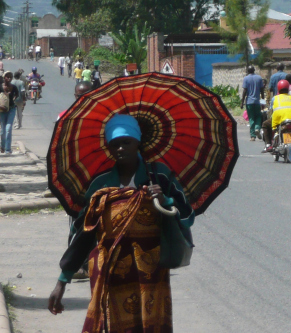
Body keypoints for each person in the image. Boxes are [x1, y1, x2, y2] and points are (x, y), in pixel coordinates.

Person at [47, 114, 195, 333]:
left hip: (150, 272)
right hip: (109, 271)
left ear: (138, 143)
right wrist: (62, 280)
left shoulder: (159, 176)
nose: (120, 149)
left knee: (149, 324)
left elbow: (186, 215)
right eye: (114, 144)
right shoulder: (101, 184)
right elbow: (83, 232)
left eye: (126, 142)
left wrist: (166, 201)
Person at [261, 79, 291, 151]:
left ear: (278, 88)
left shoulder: (275, 98)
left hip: (279, 119)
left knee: (265, 124)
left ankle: (268, 144)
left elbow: (271, 109)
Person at [240, 65, 264, 141]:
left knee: (251, 118)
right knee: (258, 116)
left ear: (247, 71)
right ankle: (257, 128)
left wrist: (242, 102)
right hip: (257, 102)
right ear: (254, 70)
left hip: (249, 102)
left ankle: (253, 136)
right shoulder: (259, 78)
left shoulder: (246, 78)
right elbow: (262, 91)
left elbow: (244, 91)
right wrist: (263, 102)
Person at [0, 73, 19, 154]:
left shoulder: (13, 87)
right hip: (2, 111)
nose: (9, 78)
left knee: (8, 129)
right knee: (2, 130)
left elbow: (17, 94)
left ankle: (8, 149)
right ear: (4, 77)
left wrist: (13, 99)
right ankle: (2, 146)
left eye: (10, 77)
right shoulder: (0, 87)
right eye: (7, 77)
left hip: (11, 109)